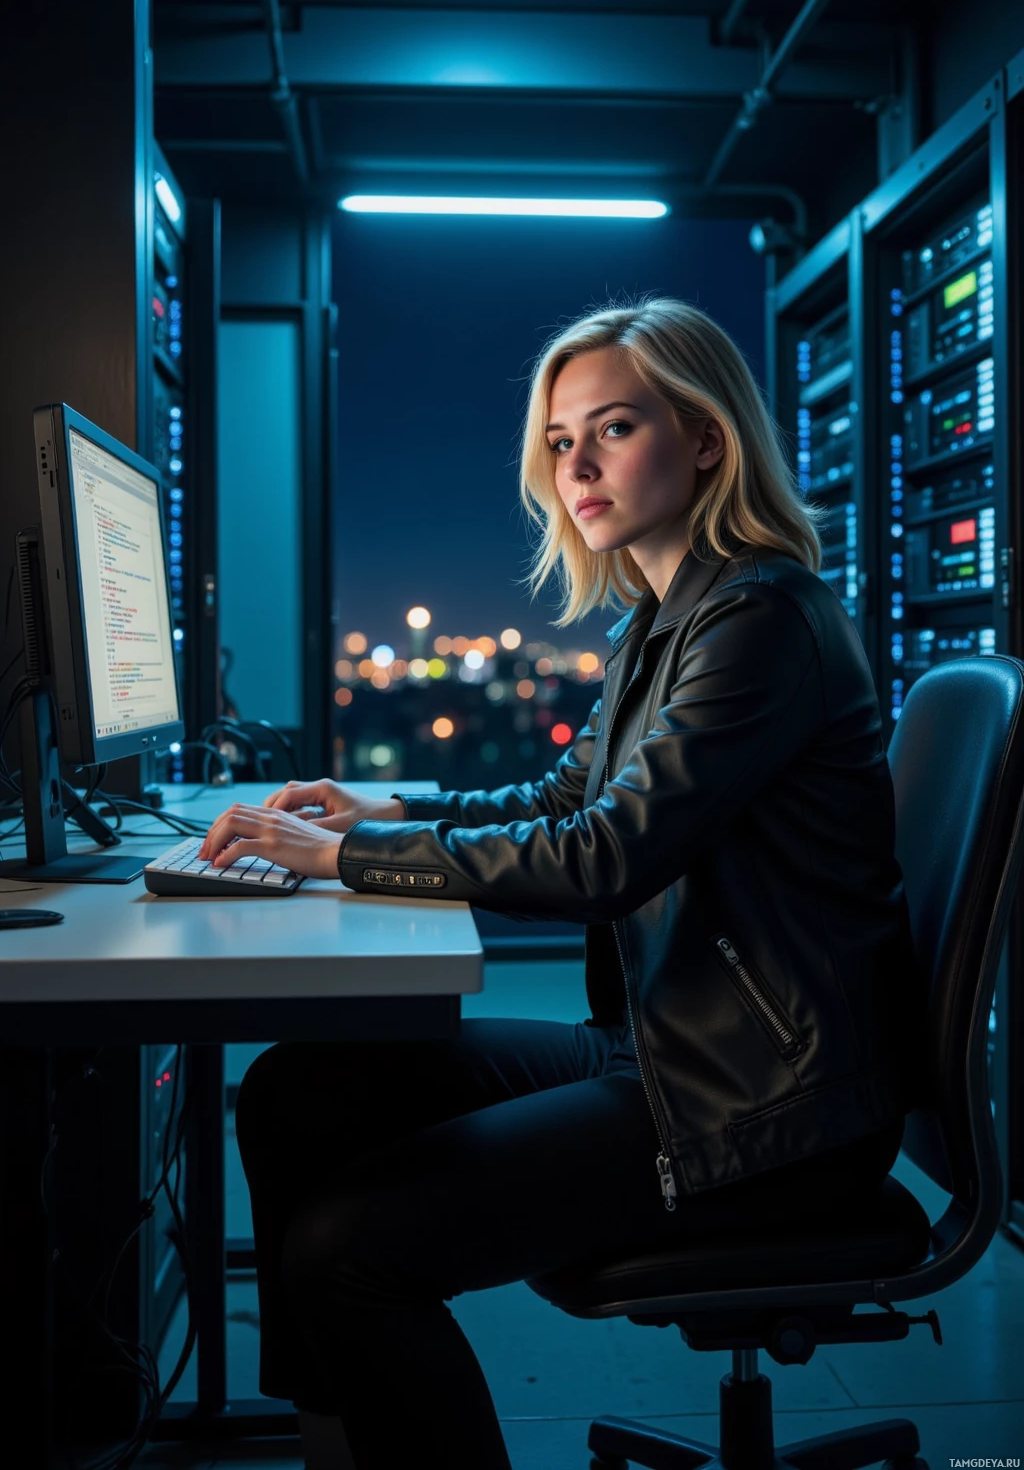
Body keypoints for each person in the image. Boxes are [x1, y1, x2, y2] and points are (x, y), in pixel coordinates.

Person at [199, 298, 925, 1470]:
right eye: (556, 440)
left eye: (613, 428)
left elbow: (606, 855)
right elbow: (559, 801)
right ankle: (334, 1441)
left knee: (346, 1245)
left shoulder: (759, 618)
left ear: (704, 440)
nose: (575, 464)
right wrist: (389, 806)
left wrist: (343, 861)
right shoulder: (667, 613)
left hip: (766, 1105)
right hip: (677, 1046)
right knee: (296, 1094)